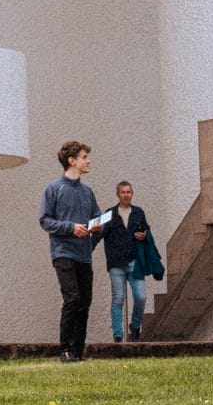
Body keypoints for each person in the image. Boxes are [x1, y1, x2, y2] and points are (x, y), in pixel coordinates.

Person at [36, 139, 101, 360]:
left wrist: (95, 229)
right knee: (72, 298)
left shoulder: (88, 192)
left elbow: (97, 220)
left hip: (84, 255)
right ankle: (65, 349)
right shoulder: (53, 189)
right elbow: (45, 221)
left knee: (84, 302)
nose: (88, 160)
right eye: (84, 157)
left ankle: (77, 352)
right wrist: (71, 228)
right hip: (63, 253)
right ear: (72, 161)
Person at [98, 178, 156, 342]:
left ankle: (135, 326)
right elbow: (97, 231)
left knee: (141, 297)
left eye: (128, 192)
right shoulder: (109, 213)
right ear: (117, 194)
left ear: (132, 194)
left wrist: (144, 234)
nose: (126, 195)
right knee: (118, 299)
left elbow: (146, 230)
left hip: (135, 262)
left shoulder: (139, 212)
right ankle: (118, 335)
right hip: (116, 263)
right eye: (123, 192)